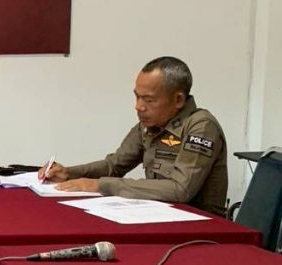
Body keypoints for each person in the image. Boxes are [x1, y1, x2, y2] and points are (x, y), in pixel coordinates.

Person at [43, 56, 228, 216]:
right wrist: (69, 173)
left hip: (203, 227)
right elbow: (114, 165)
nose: (138, 106)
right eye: (137, 97)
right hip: (158, 215)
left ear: (178, 100)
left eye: (149, 100)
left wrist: (101, 185)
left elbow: (180, 190)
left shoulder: (201, 126)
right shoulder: (150, 124)